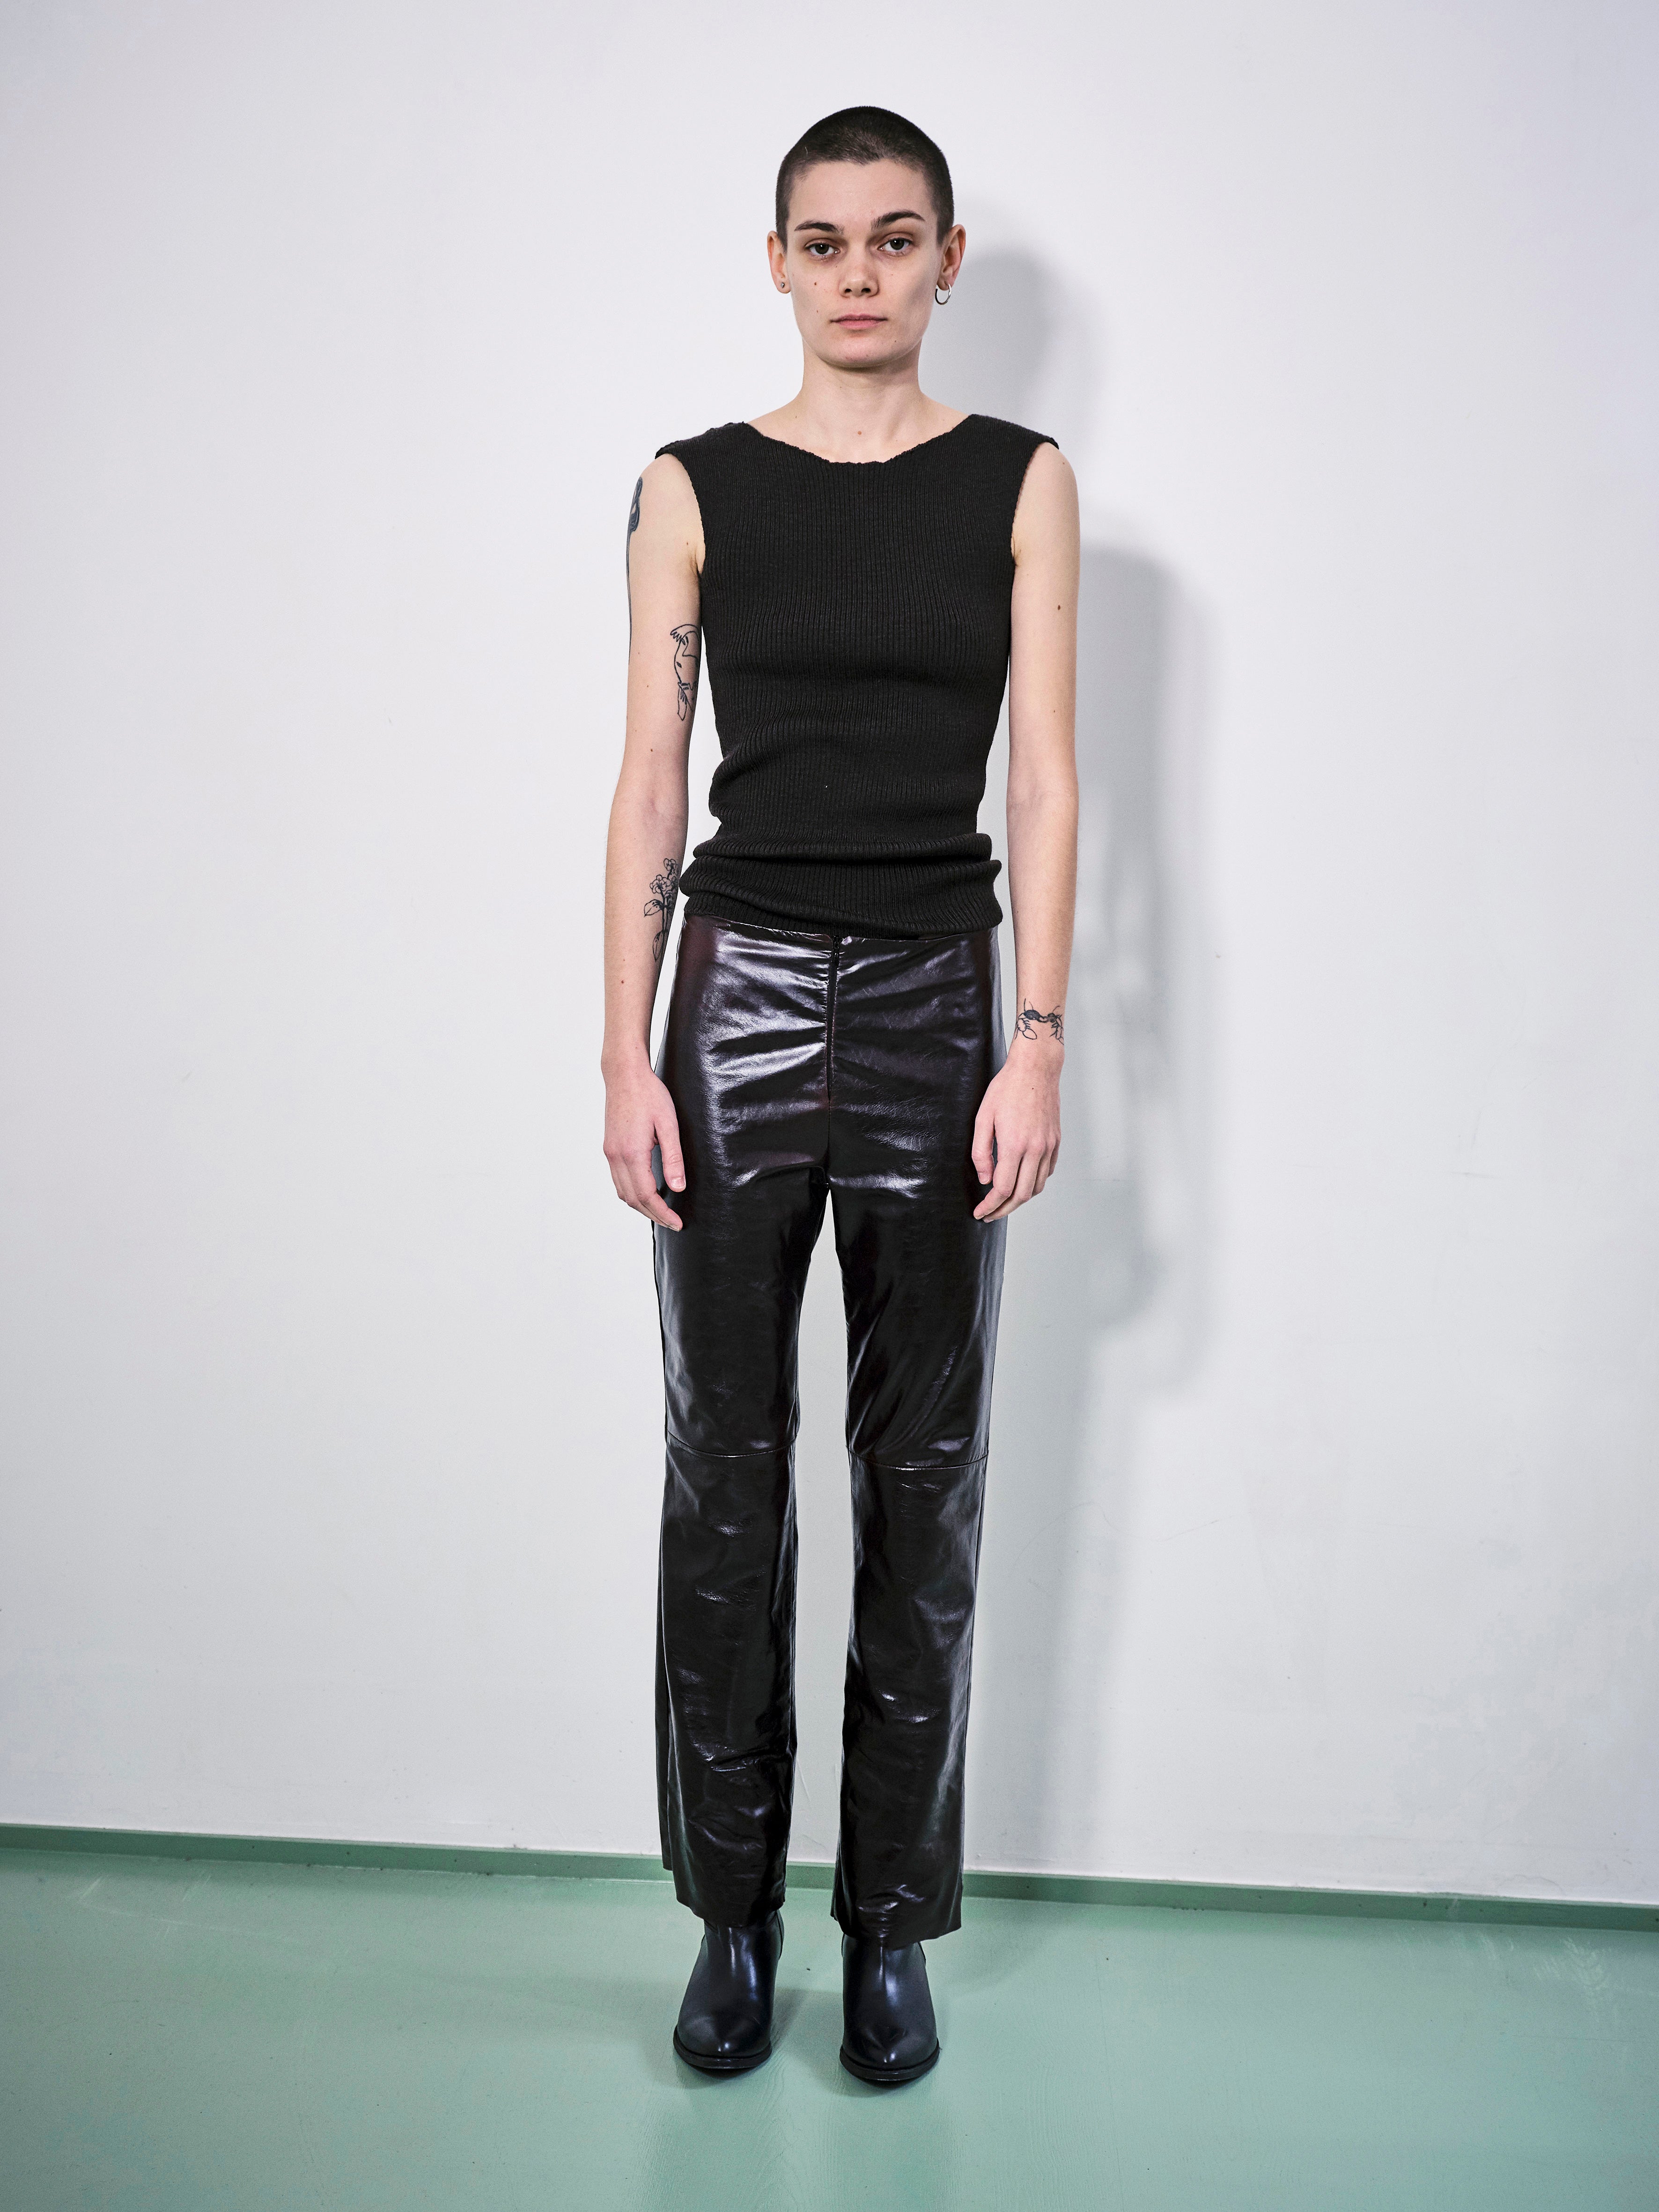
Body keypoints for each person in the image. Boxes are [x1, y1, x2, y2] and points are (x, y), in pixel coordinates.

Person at [601, 105, 1078, 2086]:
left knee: (923, 1473)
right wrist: (622, 1046)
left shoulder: (1020, 481)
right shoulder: (690, 483)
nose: (859, 271)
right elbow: (650, 774)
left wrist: (1036, 1033)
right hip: (731, 1007)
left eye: (895, 238)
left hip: (935, 1007)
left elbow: (1043, 775)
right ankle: (731, 1915)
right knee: (725, 1469)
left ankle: (889, 1925)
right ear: (779, 262)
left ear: (946, 260)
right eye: (825, 239)